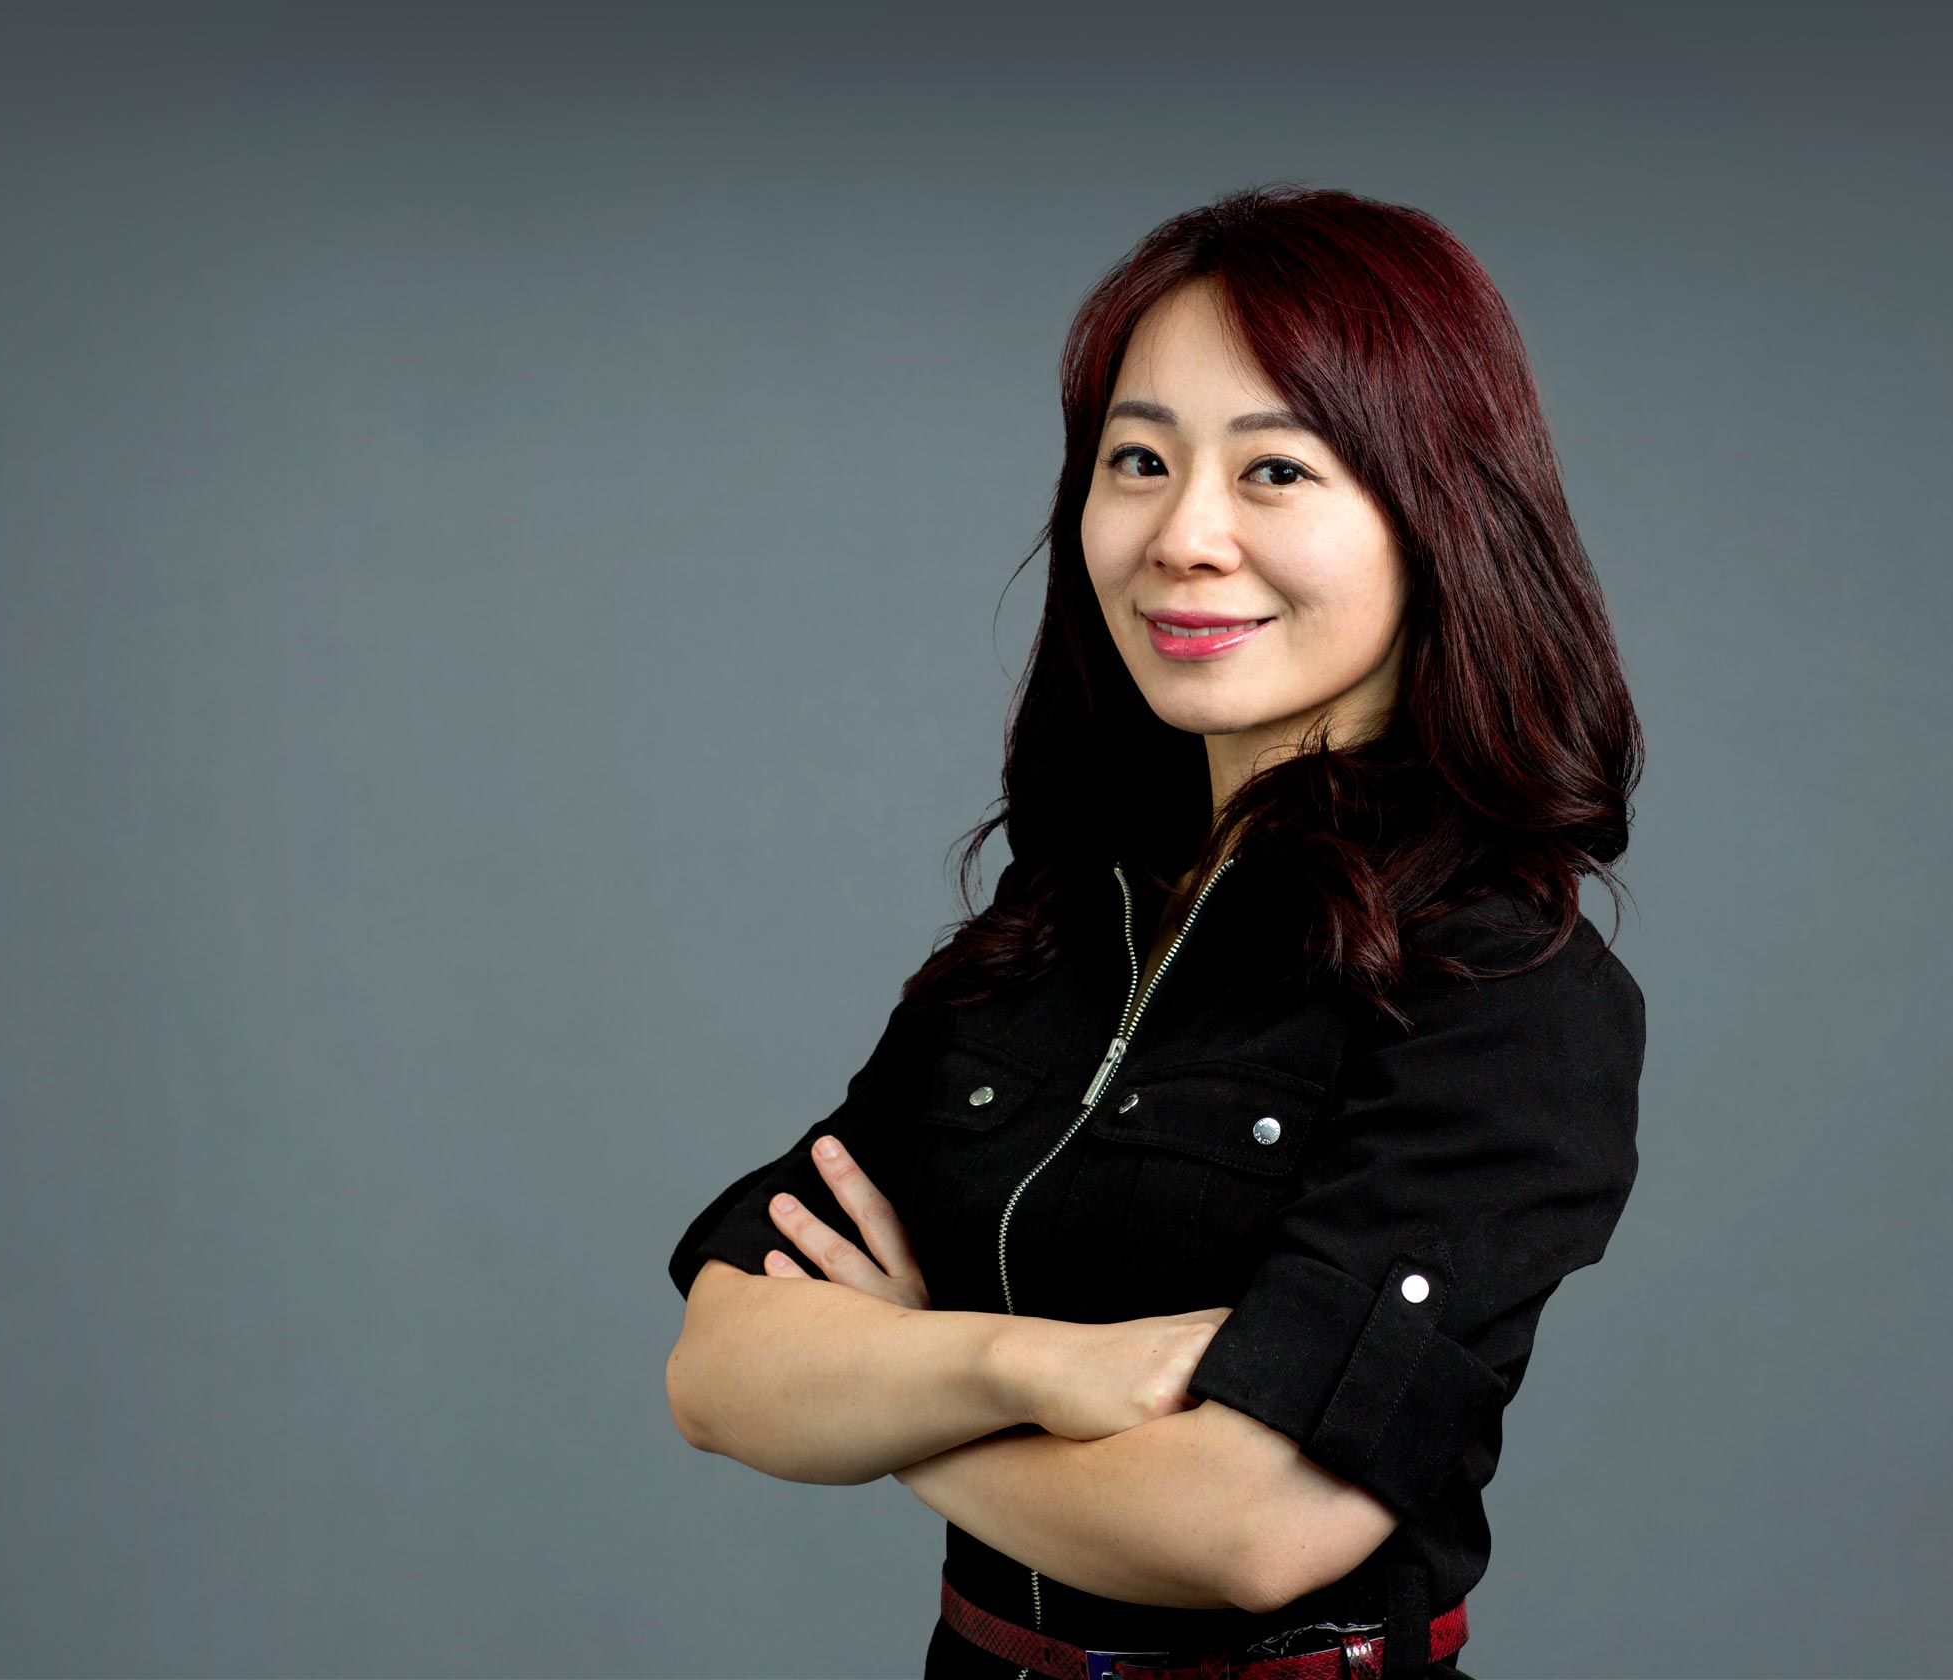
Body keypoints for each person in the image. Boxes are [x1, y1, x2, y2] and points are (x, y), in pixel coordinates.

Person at [659, 183, 1647, 1680]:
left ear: (1436, 514)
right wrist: (1040, 1366)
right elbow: (721, 1367)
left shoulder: (1508, 987)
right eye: (1139, 460)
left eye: (1276, 471)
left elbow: (1249, 1525)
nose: (1185, 536)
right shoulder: (1060, 916)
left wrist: (897, 1406)